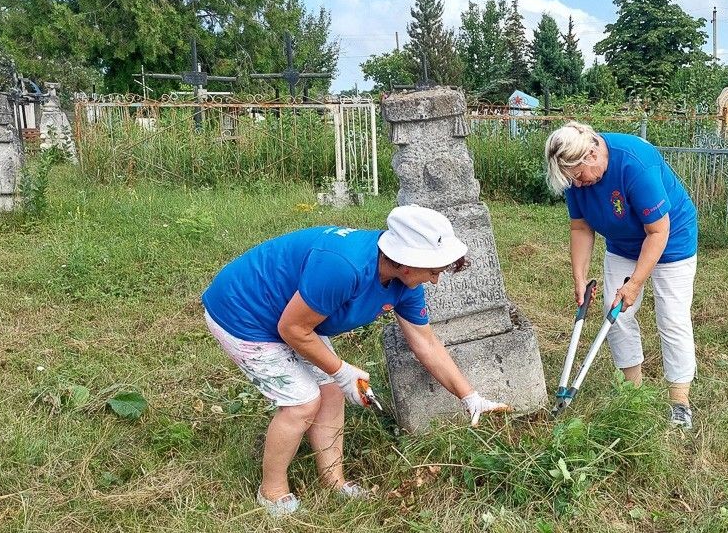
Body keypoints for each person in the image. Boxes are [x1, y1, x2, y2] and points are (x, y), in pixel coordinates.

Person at [201, 205, 510, 516]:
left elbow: (425, 343)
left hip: (293, 317)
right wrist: (342, 370)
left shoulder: (404, 285)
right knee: (302, 404)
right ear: (406, 263)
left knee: (331, 392)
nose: (435, 281)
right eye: (433, 271)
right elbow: (292, 329)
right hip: (243, 313)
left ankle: (334, 483)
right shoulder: (345, 267)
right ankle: (272, 492)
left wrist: (469, 396)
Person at [544, 121, 700, 430]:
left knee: (671, 317)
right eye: (570, 180)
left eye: (578, 176)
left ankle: (680, 401)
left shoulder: (634, 162)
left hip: (671, 240)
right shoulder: (575, 178)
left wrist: (636, 284)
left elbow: (658, 231)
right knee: (615, 315)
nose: (577, 184)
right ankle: (632, 391)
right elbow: (581, 227)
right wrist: (579, 278)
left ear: (591, 154)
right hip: (622, 245)